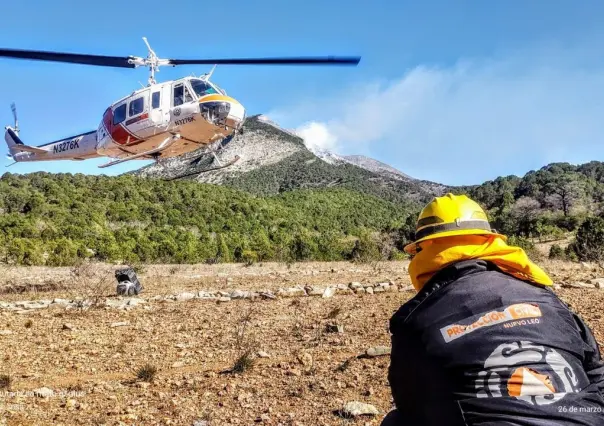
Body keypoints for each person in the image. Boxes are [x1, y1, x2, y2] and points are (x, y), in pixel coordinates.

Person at [381, 193, 604, 426]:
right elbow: (597, 376)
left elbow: (410, 400)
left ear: (423, 251)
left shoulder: (414, 319)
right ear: (490, 241)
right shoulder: (549, 299)